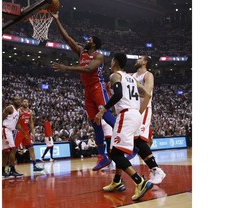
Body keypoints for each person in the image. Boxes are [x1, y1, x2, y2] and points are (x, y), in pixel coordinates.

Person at [51, 11, 116, 171]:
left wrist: (66, 68)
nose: (86, 41)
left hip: (98, 87)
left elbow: (88, 69)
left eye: (89, 40)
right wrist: (56, 20)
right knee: (95, 124)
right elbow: (67, 38)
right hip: (87, 91)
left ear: (94, 44)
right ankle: (103, 157)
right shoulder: (81, 52)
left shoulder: (98, 56)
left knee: (107, 117)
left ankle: (132, 141)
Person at [94, 53, 153, 201]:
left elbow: (118, 94)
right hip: (136, 115)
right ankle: (117, 180)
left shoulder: (115, 76)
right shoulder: (132, 78)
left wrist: (103, 110)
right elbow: (147, 94)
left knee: (114, 153)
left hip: (126, 115)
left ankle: (140, 181)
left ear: (114, 62)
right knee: (118, 151)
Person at [126, 55, 166, 185]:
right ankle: (153, 168)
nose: (137, 60)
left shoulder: (148, 75)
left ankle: (156, 170)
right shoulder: (131, 76)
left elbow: (147, 94)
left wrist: (139, 112)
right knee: (139, 141)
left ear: (145, 62)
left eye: (140, 59)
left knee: (139, 140)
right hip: (133, 110)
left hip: (143, 109)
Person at [14, 99, 44, 172]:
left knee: (31, 148)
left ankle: (35, 165)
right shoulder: (19, 111)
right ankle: (10, 167)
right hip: (19, 131)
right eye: (24, 101)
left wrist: (33, 132)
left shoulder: (30, 111)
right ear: (22, 103)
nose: (26, 103)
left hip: (26, 132)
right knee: (14, 150)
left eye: (27, 102)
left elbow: (31, 122)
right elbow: (16, 123)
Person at [2, 96, 26, 177]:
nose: (18, 101)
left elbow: (18, 125)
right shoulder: (10, 108)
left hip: (10, 131)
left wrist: (24, 133)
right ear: (13, 101)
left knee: (6, 152)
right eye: (16, 99)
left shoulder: (18, 112)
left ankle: (2, 172)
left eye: (19, 99)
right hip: (5, 129)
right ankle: (12, 170)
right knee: (13, 149)